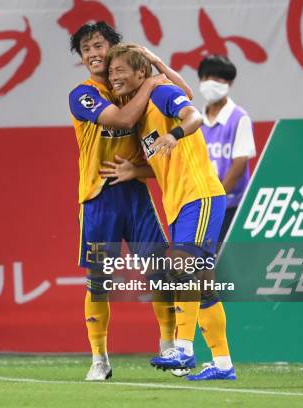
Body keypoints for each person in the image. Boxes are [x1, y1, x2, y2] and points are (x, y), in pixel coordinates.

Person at [100, 44, 236, 380]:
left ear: (141, 74)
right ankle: (222, 365)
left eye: (120, 70)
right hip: (178, 204)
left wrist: (176, 133)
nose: (114, 76)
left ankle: (184, 350)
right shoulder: (144, 114)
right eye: (111, 71)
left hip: (199, 196)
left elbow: (194, 116)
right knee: (204, 287)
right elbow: (162, 158)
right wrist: (136, 171)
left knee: (179, 267)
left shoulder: (160, 94)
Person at [68, 22, 193, 381]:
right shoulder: (83, 94)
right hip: (98, 197)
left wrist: (153, 64)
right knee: (99, 280)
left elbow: (184, 95)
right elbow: (121, 119)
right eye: (86, 49)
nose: (93, 54)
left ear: (113, 49)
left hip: (135, 194)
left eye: (98, 46)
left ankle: (169, 346)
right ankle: (99, 358)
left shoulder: (131, 85)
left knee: (159, 272)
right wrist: (151, 83)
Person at [198, 55, 256, 240]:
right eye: (206, 78)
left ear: (229, 82)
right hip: (202, 205)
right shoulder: (196, 120)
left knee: (224, 258)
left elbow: (239, 164)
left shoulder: (239, 118)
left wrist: (218, 199)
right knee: (201, 261)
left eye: (217, 78)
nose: (210, 83)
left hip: (231, 205)